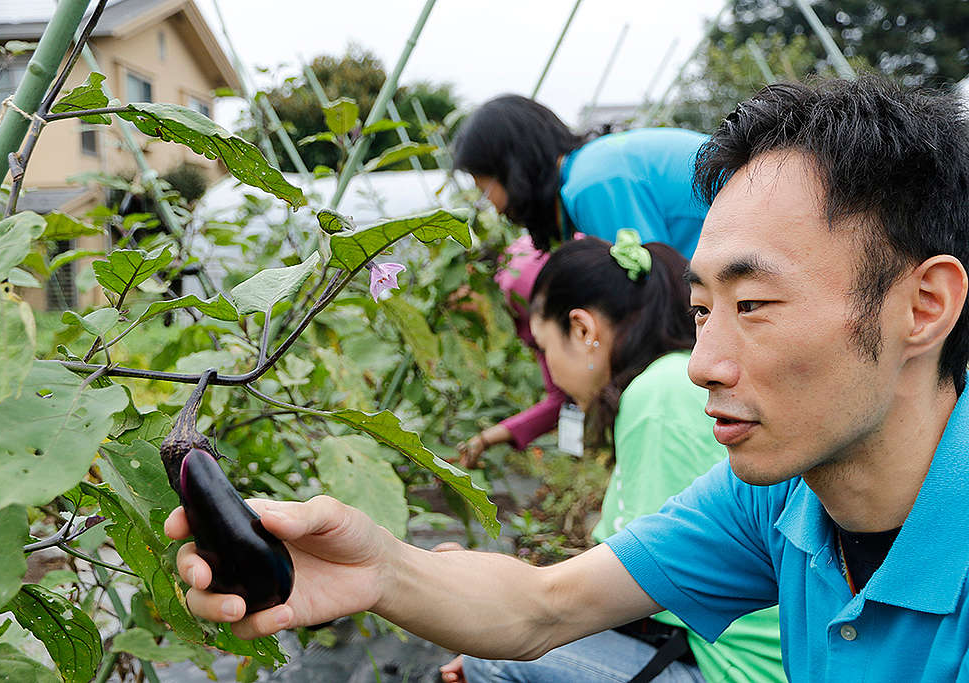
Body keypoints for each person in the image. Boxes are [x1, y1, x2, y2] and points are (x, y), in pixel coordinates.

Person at [167, 77, 969, 680]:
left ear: (922, 306)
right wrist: (379, 567)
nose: (701, 364)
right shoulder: (778, 496)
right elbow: (544, 604)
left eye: (752, 303)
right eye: (698, 311)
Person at [446, 232, 785, 681]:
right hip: (725, 647)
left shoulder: (655, 398)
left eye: (545, 350)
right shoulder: (673, 381)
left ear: (583, 330)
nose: (549, 373)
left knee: (488, 657)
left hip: (731, 668)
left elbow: (640, 588)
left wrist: (486, 586)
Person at [452, 95, 710, 463]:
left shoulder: (591, 184)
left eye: (484, 187)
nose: (491, 204)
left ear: (511, 166)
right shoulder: (588, 172)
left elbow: (656, 297)